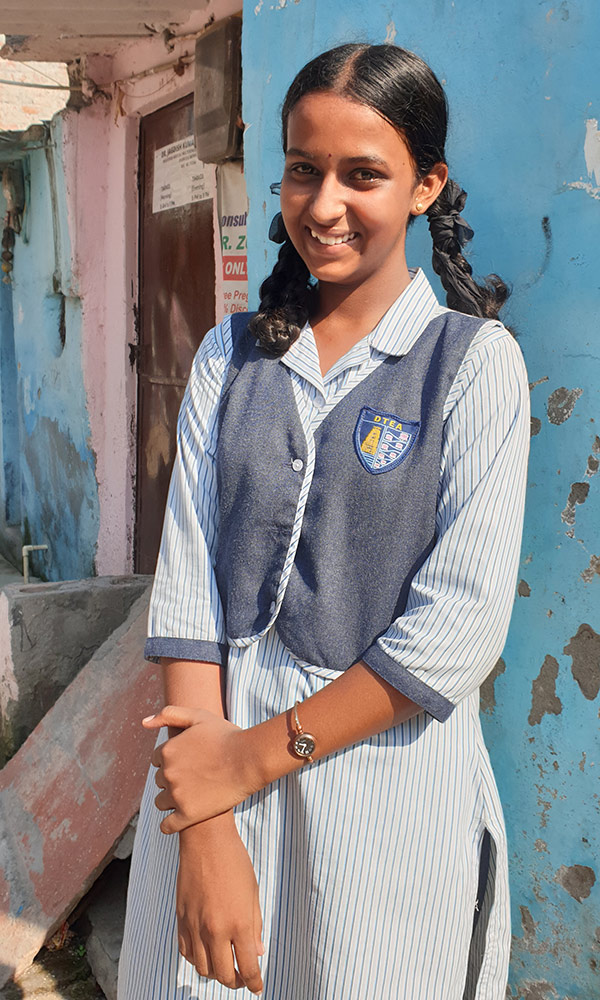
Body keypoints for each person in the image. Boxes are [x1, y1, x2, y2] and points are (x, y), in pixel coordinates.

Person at [118, 42, 529, 1000]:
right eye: (303, 170)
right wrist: (207, 828)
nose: (324, 205)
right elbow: (189, 593)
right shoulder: (231, 358)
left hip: (383, 793)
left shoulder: (474, 369)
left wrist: (246, 763)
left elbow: (455, 634)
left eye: (364, 174)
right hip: (211, 772)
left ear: (426, 186)